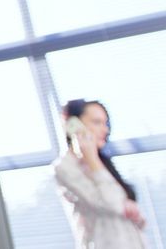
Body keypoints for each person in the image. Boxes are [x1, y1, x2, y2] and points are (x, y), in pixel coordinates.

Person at [54, 99, 147, 249]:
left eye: (105, 123)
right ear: (73, 125)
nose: (105, 130)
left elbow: (136, 216)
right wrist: (92, 159)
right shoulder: (65, 167)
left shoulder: (102, 162)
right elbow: (113, 203)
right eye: (97, 122)